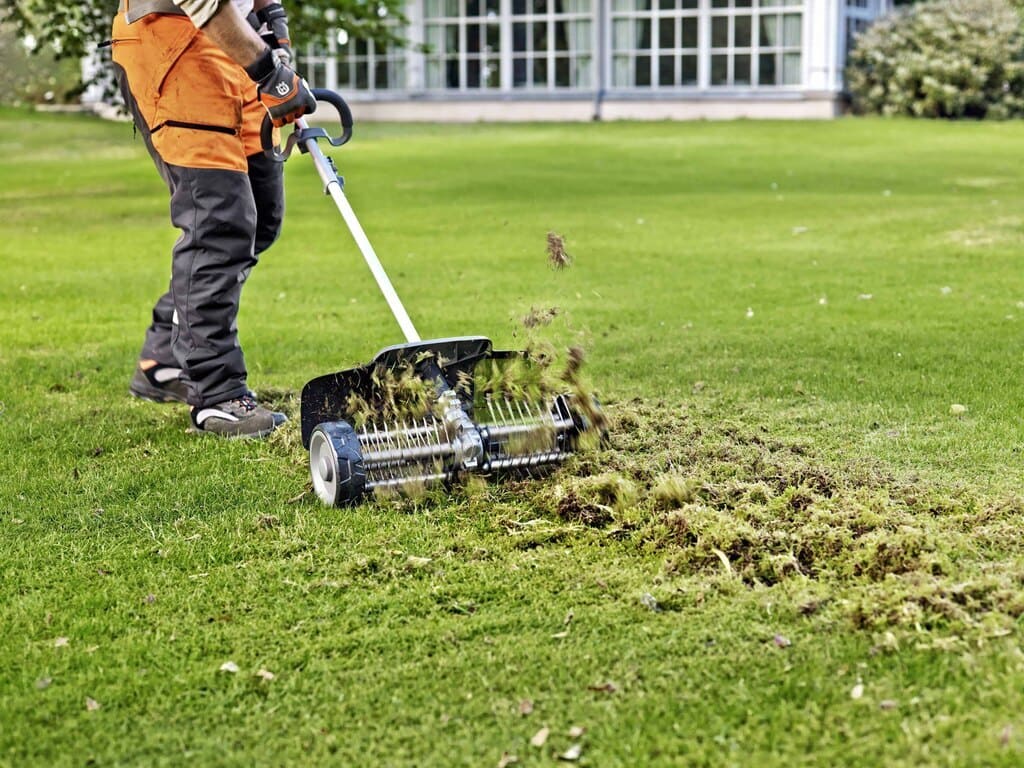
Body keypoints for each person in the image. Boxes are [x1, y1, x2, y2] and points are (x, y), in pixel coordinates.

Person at [111, 0, 316, 438]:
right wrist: (269, 71)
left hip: (234, 45)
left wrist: (273, 25)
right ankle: (216, 395)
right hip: (172, 46)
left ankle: (162, 360)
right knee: (218, 225)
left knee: (260, 218)